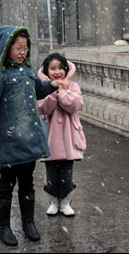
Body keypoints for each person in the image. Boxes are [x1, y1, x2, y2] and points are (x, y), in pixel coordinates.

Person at [0, 26, 68, 247]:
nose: (22, 52)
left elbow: (38, 89)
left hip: (29, 138)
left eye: (25, 48)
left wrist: (51, 85)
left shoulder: (27, 71)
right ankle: (4, 228)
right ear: (6, 48)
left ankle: (28, 223)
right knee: (6, 184)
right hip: (10, 140)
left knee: (27, 183)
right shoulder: (0, 75)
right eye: (18, 48)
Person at [37, 53, 86, 217]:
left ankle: (65, 202)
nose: (57, 72)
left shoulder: (72, 86)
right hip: (49, 137)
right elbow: (42, 107)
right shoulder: (42, 87)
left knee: (66, 172)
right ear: (46, 71)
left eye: (60, 68)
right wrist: (52, 91)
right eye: (52, 69)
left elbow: (74, 105)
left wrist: (61, 92)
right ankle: (53, 201)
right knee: (51, 172)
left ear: (66, 70)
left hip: (68, 137)